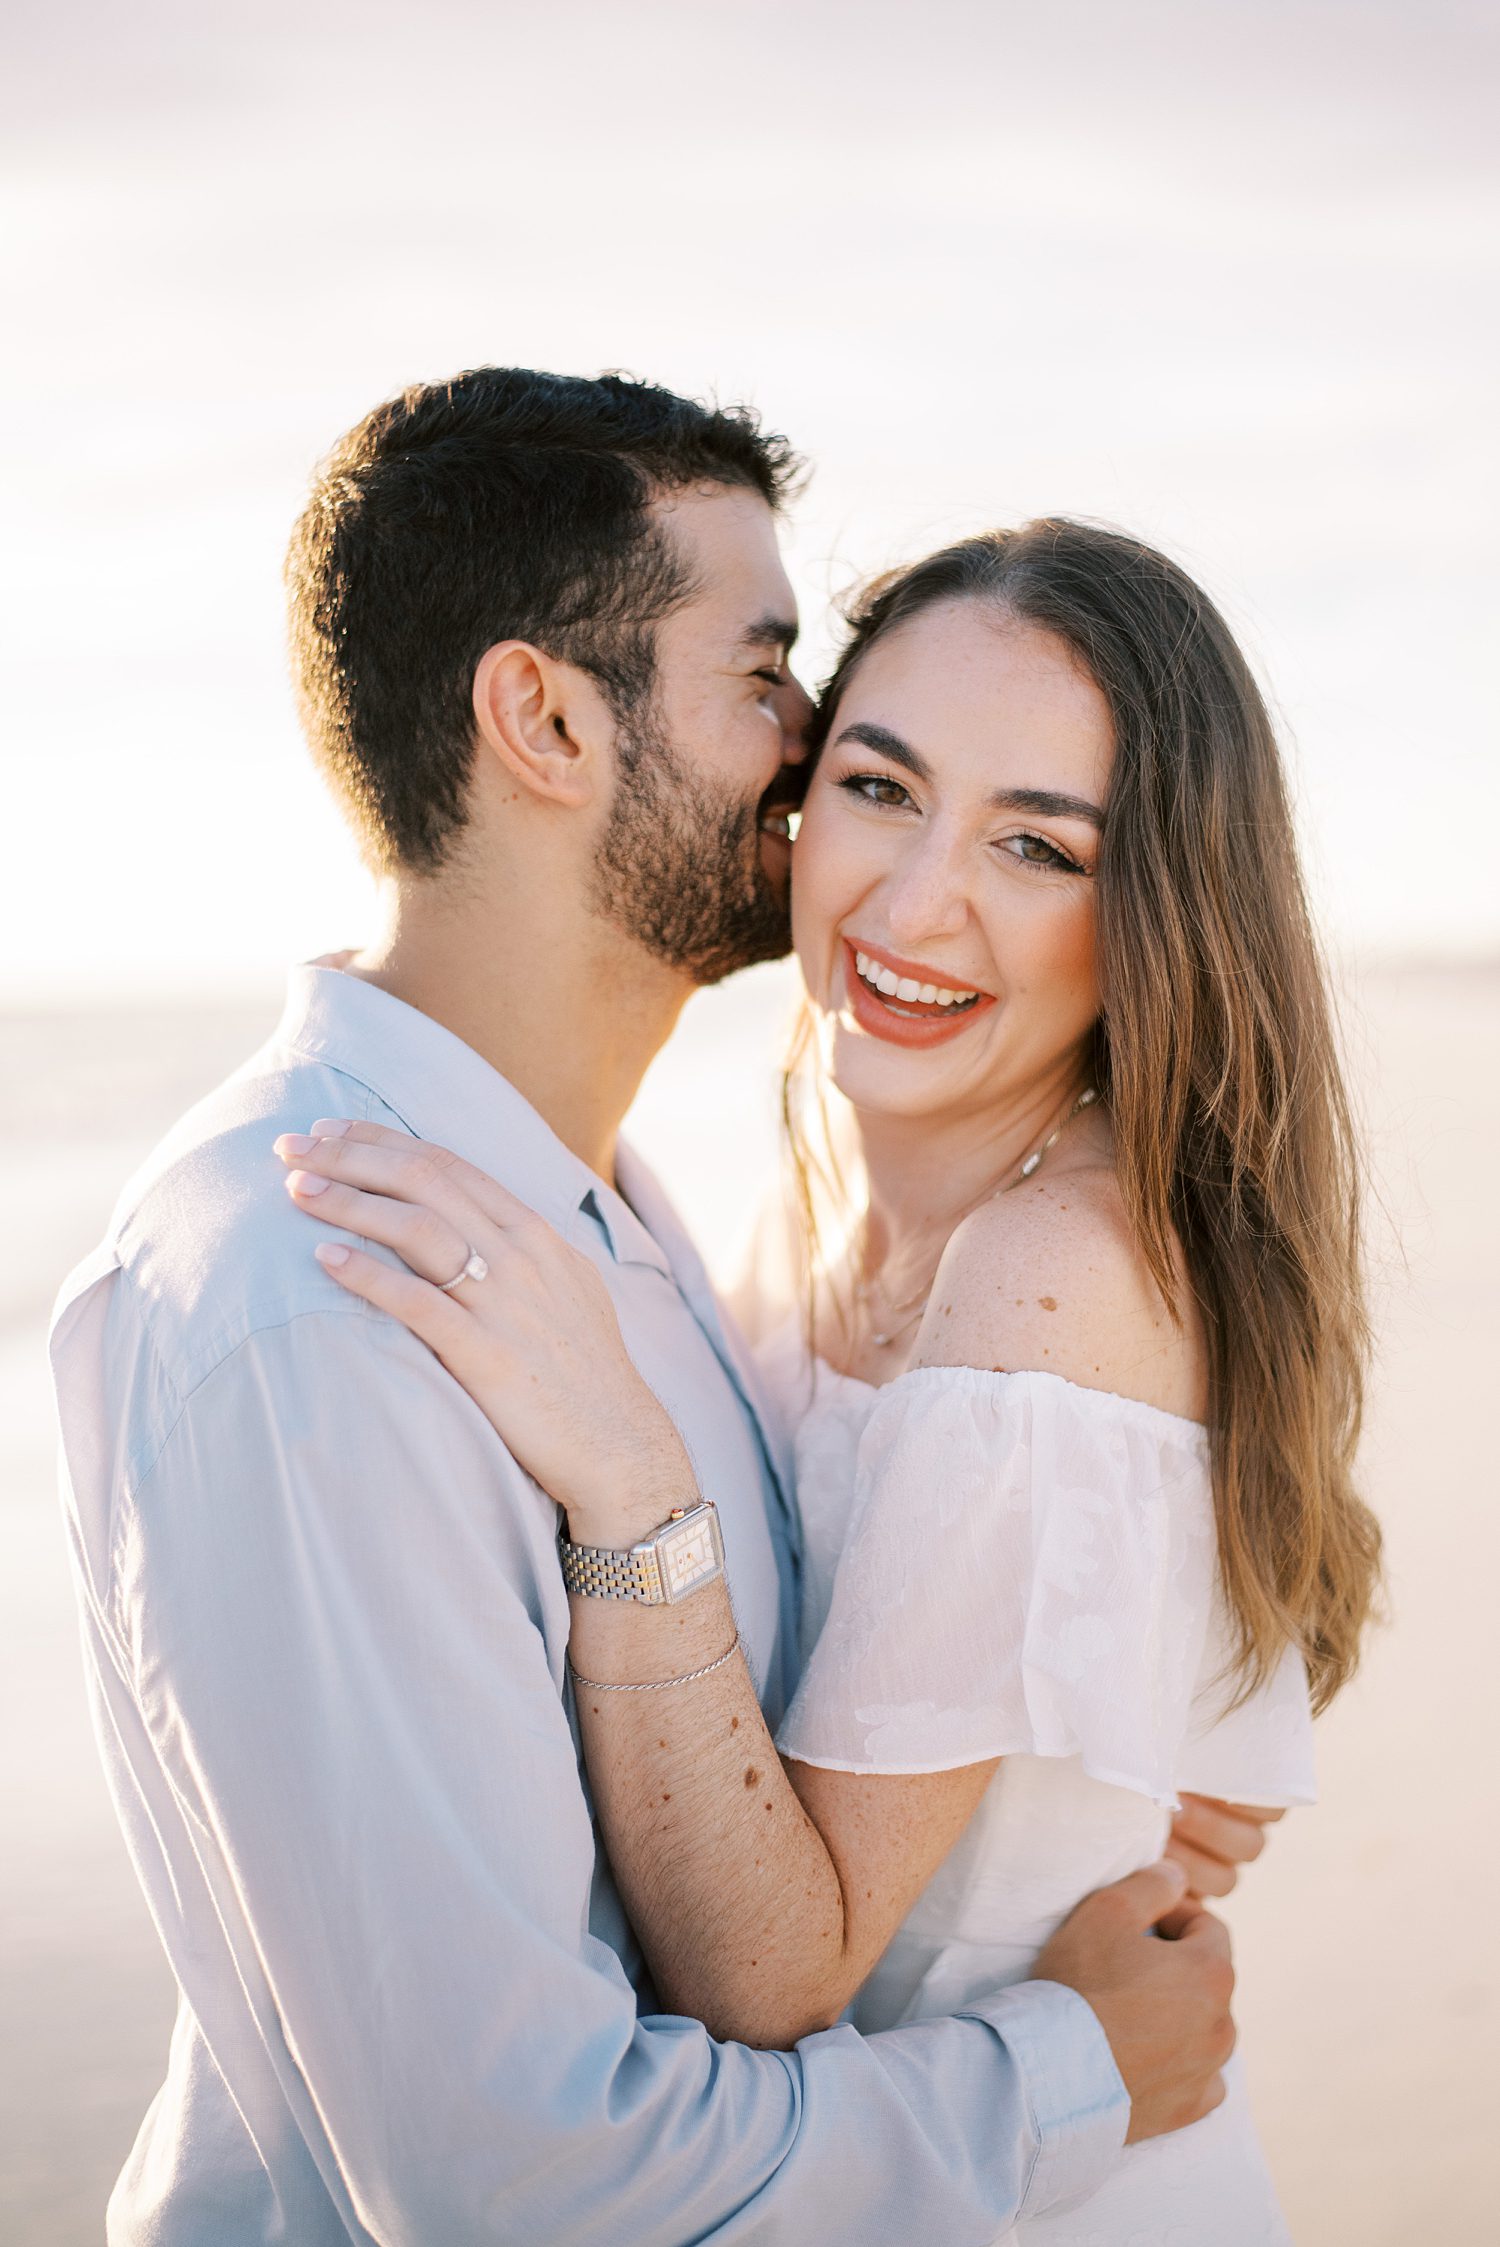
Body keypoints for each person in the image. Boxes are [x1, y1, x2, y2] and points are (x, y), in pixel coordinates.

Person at [53, 370, 1266, 2247]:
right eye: (769, 673)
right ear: (542, 717)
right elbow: (516, 2180)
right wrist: (1065, 2071)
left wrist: (1103, 1735)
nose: (812, 749)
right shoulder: (324, 1297)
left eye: (1035, 840)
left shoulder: (609, 1205)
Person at [277, 517, 1383, 2241]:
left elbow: (769, 1970)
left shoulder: (1053, 1278)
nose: (913, 899)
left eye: (1037, 845)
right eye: (879, 787)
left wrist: (628, 1483)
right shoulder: (818, 1204)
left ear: (1159, 909)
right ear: (793, 805)